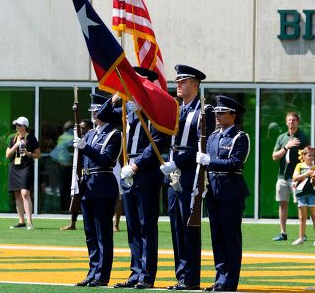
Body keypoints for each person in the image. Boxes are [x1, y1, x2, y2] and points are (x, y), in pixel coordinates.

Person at [100, 67, 170, 290]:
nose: (130, 89)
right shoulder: (126, 111)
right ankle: (135, 272)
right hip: (127, 172)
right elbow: (101, 115)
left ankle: (147, 275)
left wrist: (137, 166)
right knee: (132, 226)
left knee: (146, 225)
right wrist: (114, 98)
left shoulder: (155, 112)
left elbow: (159, 142)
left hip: (145, 173)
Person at [160, 64, 215, 291]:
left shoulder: (205, 110)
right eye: (177, 81)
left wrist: (178, 162)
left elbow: (202, 145)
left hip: (191, 173)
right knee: (175, 226)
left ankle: (191, 278)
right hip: (173, 173)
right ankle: (181, 275)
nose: (178, 85)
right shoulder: (176, 109)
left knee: (188, 224)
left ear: (195, 84)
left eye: (182, 81)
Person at [196, 95, 250, 292]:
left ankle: (230, 281)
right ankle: (220, 278)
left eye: (222, 112)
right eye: (217, 112)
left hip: (231, 192)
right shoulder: (212, 137)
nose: (217, 116)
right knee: (217, 237)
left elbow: (235, 163)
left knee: (230, 237)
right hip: (214, 192)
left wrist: (209, 161)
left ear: (233, 115)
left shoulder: (240, 137)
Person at [73, 94, 122, 287]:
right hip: (88, 185)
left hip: (103, 184)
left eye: (97, 110)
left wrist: (86, 147)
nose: (94, 114)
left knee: (103, 233)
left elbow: (107, 160)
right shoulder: (91, 134)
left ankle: (102, 275)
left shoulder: (114, 134)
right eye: (93, 111)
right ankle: (92, 271)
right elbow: (83, 162)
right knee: (90, 233)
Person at [271, 111, 308, 241]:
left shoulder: (303, 138)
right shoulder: (282, 138)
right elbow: (274, 156)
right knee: (282, 204)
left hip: (296, 178)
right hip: (282, 177)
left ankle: (302, 233)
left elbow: (308, 158)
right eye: (289, 120)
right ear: (286, 122)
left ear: (298, 122)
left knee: (300, 205)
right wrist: (287, 147)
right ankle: (283, 233)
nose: (291, 122)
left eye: (294, 120)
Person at [5, 116, 40, 230]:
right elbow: (7, 155)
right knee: (17, 194)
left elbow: (38, 155)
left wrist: (28, 153)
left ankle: (29, 221)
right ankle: (21, 221)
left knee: (25, 193)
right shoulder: (13, 138)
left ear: (25, 126)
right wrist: (17, 145)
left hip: (26, 167)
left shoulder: (31, 138)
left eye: (19, 125)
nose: (17, 127)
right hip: (14, 167)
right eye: (16, 125)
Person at [61, 119, 93, 231]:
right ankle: (72, 223)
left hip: (89, 172)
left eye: (83, 127)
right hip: (78, 172)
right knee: (75, 196)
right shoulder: (77, 139)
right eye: (80, 127)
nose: (81, 129)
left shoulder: (91, 139)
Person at [292, 146, 315, 246]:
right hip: (301, 194)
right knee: (302, 217)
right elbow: (295, 178)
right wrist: (307, 174)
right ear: (303, 156)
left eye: (313, 155)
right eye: (309, 155)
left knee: (314, 216)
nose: (311, 157)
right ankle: (301, 238)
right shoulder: (299, 166)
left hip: (312, 194)